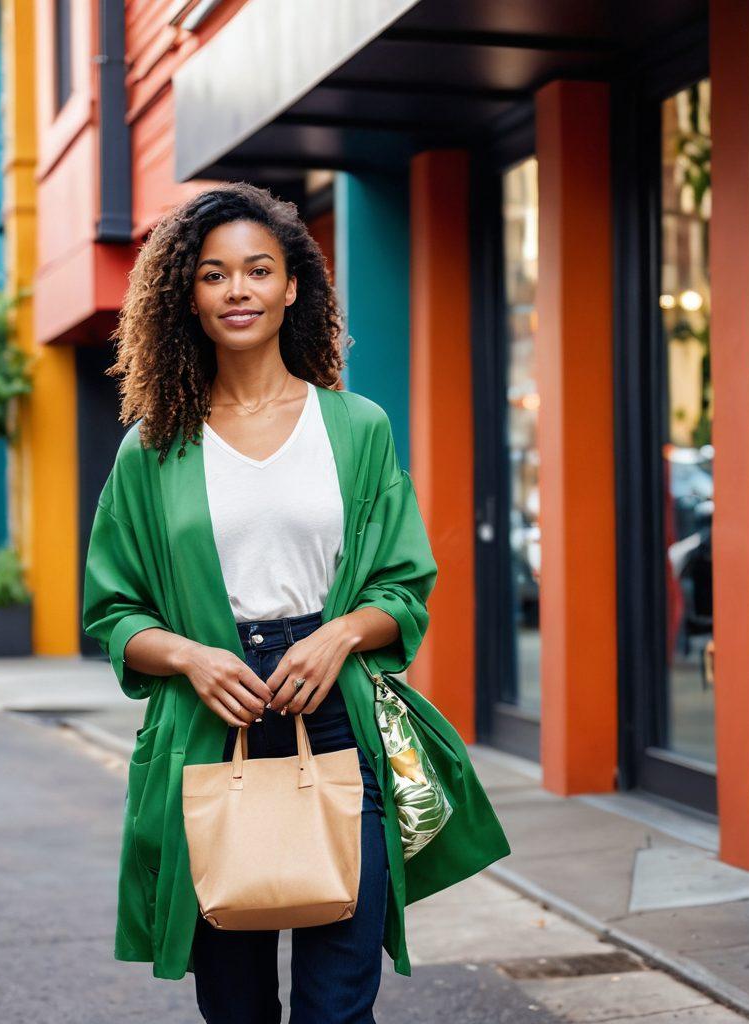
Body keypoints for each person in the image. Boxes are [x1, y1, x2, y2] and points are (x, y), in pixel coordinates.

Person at [82, 183, 511, 1022]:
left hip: (340, 718)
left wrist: (341, 634)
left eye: (258, 270)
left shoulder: (356, 428)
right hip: (213, 727)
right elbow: (113, 610)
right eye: (214, 274)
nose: (237, 289)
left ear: (291, 288)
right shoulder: (154, 448)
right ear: (188, 297)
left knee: (338, 1005)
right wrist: (193, 657)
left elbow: (404, 584)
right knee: (236, 1006)